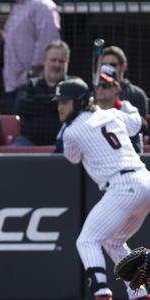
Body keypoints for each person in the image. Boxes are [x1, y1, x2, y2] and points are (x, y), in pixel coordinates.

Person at [53, 78, 150, 300]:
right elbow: (136, 122)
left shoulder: (71, 131)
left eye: (64, 102)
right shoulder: (113, 114)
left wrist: (66, 129)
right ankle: (139, 294)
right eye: (59, 102)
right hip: (145, 181)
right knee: (113, 242)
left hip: (122, 187)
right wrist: (125, 105)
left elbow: (72, 158)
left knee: (87, 241)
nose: (60, 106)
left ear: (78, 102)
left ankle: (101, 293)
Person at [3, 0, 60, 113]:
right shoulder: (18, 7)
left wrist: (32, 72)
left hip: (34, 87)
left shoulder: (43, 6)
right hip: (14, 83)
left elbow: (49, 42)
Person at [13, 40, 72, 146]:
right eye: (53, 60)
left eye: (61, 61)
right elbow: (20, 106)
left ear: (67, 62)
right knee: (12, 158)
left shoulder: (73, 85)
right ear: (44, 61)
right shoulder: (30, 85)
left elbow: (75, 109)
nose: (57, 65)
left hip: (64, 143)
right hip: (29, 141)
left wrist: (37, 102)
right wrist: (57, 102)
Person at [94, 64, 144, 153]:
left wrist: (109, 115)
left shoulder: (125, 107)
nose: (100, 88)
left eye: (106, 85)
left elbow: (137, 126)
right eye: (98, 84)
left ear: (117, 88)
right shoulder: (88, 107)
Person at [100, 46, 148, 119]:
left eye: (113, 65)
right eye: (104, 65)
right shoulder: (96, 92)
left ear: (124, 66)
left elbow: (141, 126)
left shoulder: (137, 95)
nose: (108, 68)